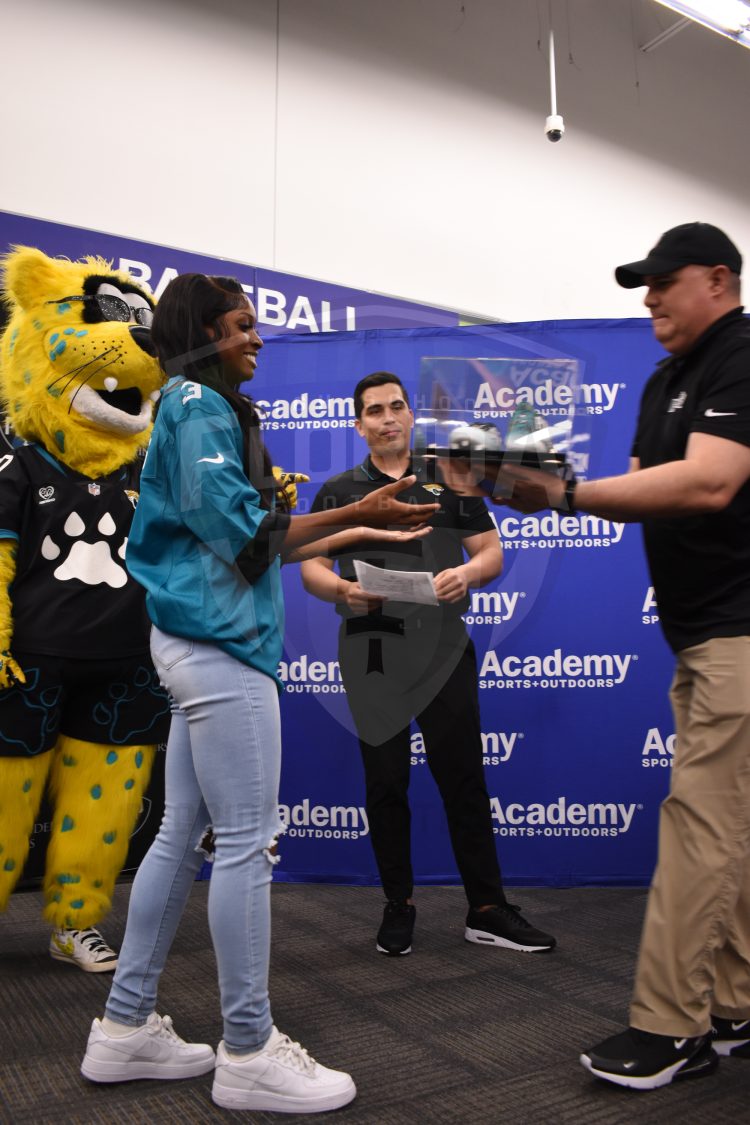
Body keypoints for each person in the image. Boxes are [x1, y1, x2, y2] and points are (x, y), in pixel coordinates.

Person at [79, 275, 440, 1114]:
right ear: (205, 332)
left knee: (180, 835)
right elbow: (246, 538)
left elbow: (241, 538)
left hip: (200, 642)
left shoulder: (197, 409)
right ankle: (247, 1047)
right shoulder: (201, 408)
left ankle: (125, 1024)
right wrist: (357, 525)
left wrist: (361, 519)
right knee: (247, 842)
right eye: (244, 325)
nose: (258, 339)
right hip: (218, 648)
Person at [459, 223, 750, 1090]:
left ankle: (671, 1028)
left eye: (665, 281)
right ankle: (733, 1002)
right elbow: (630, 490)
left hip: (741, 628)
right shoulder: (667, 377)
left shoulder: (742, 357)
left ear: (720, 280)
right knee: (730, 826)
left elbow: (709, 482)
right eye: (643, 284)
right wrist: (515, 480)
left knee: (701, 823)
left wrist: (568, 490)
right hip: (697, 632)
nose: (650, 297)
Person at [299, 372, 557, 957]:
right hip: (371, 648)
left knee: (464, 775)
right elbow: (311, 568)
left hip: (444, 647)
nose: (387, 418)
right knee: (386, 782)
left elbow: (491, 551)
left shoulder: (451, 479)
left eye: (396, 407)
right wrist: (343, 594)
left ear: (411, 414)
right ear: (358, 423)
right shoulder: (341, 490)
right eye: (374, 411)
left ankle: (488, 908)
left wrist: (466, 574)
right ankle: (399, 905)